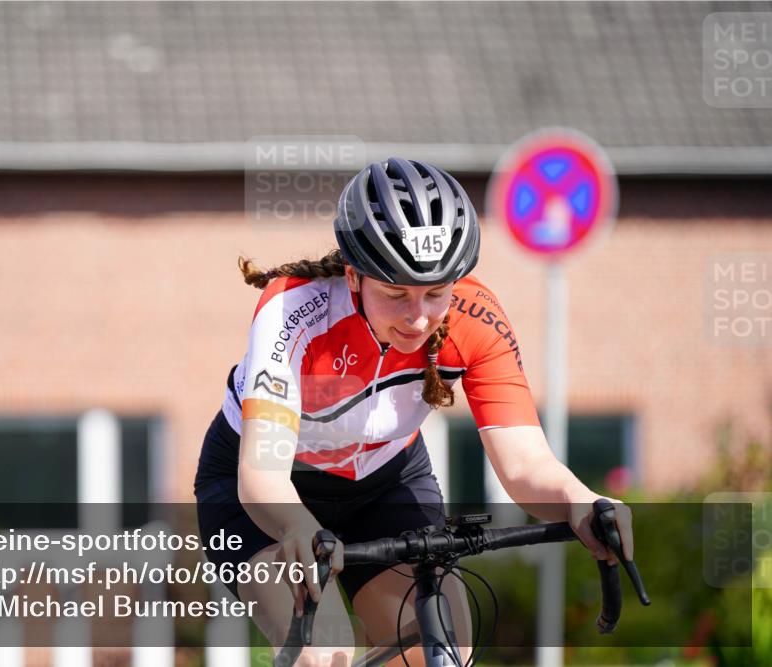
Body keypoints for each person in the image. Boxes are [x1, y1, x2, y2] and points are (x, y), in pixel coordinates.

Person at [194, 157, 633, 666]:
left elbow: (524, 464)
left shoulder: (476, 320)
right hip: (266, 498)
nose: (419, 317)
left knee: (442, 647)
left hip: (386, 482)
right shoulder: (294, 310)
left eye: (435, 293)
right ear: (355, 275)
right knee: (326, 648)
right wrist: (298, 527)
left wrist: (581, 500)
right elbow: (263, 472)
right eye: (396, 293)